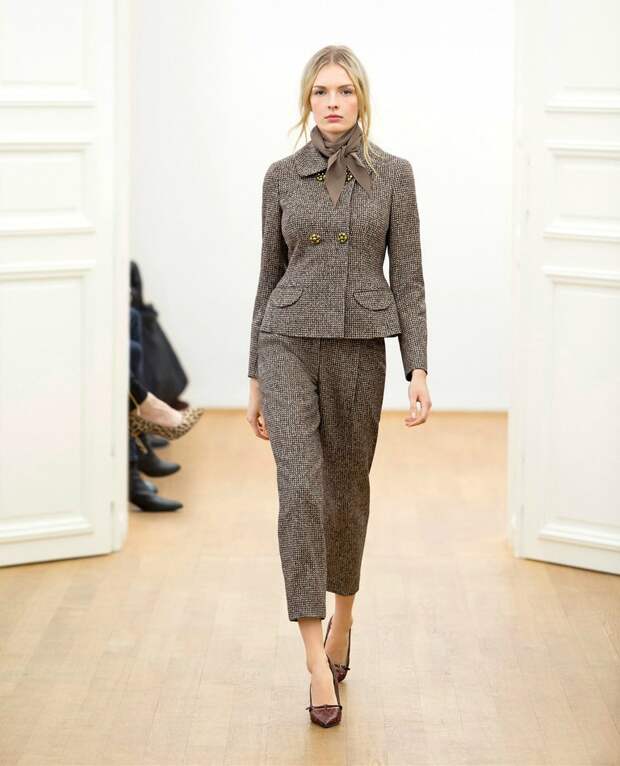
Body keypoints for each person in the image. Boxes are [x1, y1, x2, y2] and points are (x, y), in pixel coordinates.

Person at [246, 45, 432, 728]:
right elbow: (268, 275)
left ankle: (344, 620)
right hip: (287, 344)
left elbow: (408, 274)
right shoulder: (280, 177)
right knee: (299, 491)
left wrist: (417, 366)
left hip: (360, 349)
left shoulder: (394, 175)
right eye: (321, 91)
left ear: (361, 99)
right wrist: (255, 374)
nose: (332, 102)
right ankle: (314, 660)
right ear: (307, 100)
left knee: (347, 490)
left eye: (345, 91)